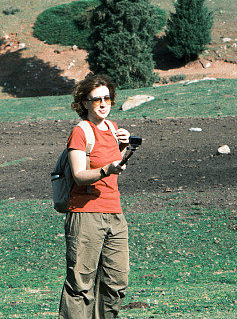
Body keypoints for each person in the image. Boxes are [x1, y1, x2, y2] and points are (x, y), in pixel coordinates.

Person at [59, 74, 131, 319]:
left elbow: (114, 164)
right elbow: (79, 175)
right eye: (96, 99)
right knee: (81, 285)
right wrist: (106, 170)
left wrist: (123, 148)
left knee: (116, 282)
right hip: (85, 213)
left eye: (107, 98)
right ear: (85, 103)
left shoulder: (113, 128)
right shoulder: (80, 132)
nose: (103, 104)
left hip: (114, 212)